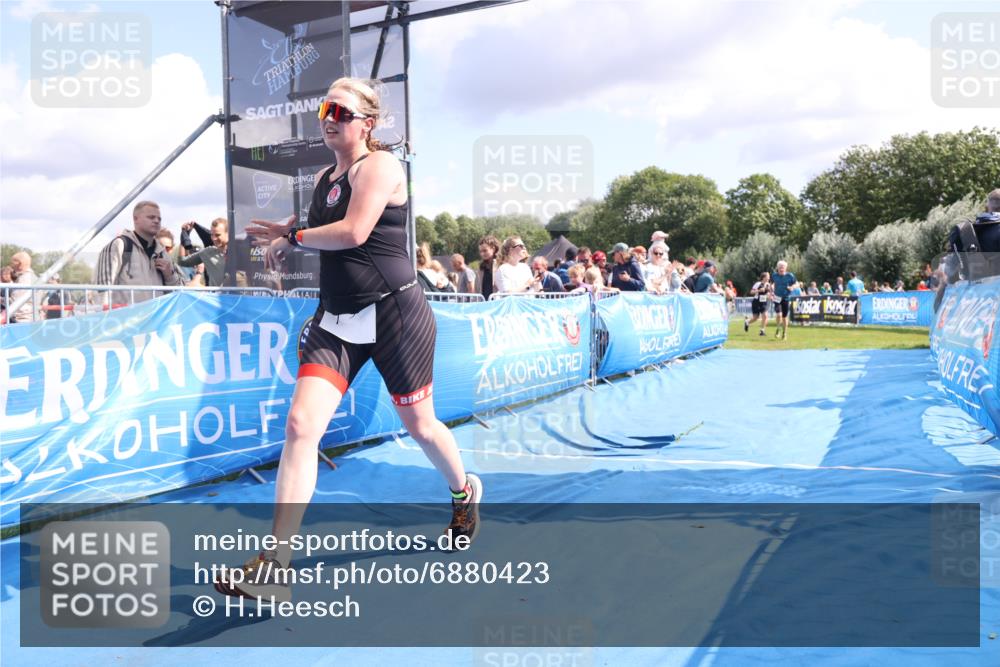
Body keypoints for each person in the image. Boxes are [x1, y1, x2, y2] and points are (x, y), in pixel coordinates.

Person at [228, 77, 483, 601]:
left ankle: (463, 492)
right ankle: (277, 564)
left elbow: (352, 232)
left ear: (367, 122)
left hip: (395, 315)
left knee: (421, 424)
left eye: (340, 110)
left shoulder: (383, 167)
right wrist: (288, 228)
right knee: (300, 426)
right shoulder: (324, 176)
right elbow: (323, 218)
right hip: (338, 319)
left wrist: (291, 238)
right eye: (324, 108)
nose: (328, 117)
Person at [94, 200, 183, 304]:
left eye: (159, 218)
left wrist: (170, 275)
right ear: (135, 219)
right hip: (125, 318)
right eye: (151, 217)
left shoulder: (163, 253)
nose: (156, 221)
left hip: (157, 318)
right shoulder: (120, 245)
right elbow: (102, 289)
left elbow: (180, 293)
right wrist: (106, 317)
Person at [178, 218, 229, 287]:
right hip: (216, 297)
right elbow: (182, 261)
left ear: (228, 234)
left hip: (239, 296)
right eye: (212, 234)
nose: (214, 238)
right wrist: (184, 236)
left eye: (217, 235)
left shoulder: (240, 252)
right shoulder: (207, 253)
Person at [8, 251, 40, 323]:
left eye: (12, 262)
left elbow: (16, 301)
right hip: (31, 318)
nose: (11, 265)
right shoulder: (34, 277)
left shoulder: (24, 279)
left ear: (20, 263)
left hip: (23, 320)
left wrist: (2, 300)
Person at [771, 260, 796, 340]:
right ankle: (778, 328)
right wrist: (771, 288)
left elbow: (796, 284)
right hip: (777, 297)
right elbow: (771, 283)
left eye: (783, 267)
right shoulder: (774, 275)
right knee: (778, 315)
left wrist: (792, 287)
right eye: (780, 267)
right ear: (777, 268)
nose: (781, 269)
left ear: (786, 268)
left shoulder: (790, 276)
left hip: (786, 298)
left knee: (784, 317)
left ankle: (784, 333)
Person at [744, 271, 772, 336]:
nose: (769, 278)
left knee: (765, 316)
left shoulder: (768, 285)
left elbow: (768, 293)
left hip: (764, 303)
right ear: (764, 277)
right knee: (755, 318)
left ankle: (762, 331)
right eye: (768, 276)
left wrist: (769, 296)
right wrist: (759, 290)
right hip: (756, 302)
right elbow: (751, 292)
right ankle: (747, 322)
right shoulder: (758, 284)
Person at [477, 235, 500, 300]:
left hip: (498, 302)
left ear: (493, 248)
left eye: (485, 250)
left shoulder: (501, 265)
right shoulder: (481, 267)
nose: (482, 254)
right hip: (484, 302)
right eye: (480, 251)